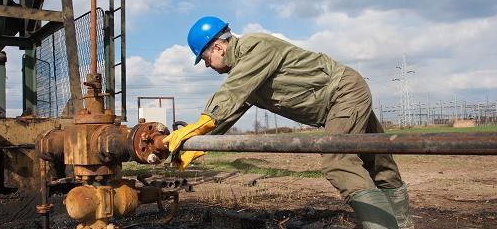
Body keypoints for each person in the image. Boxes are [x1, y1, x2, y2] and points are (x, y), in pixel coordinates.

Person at [164, 16, 414, 229]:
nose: (207, 65)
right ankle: (402, 225)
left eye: (205, 58)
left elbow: (230, 94)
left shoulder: (254, 47)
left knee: (338, 161)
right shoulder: (245, 75)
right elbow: (228, 112)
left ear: (218, 47)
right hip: (338, 100)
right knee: (378, 160)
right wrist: (196, 144)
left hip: (342, 92)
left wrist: (199, 125)